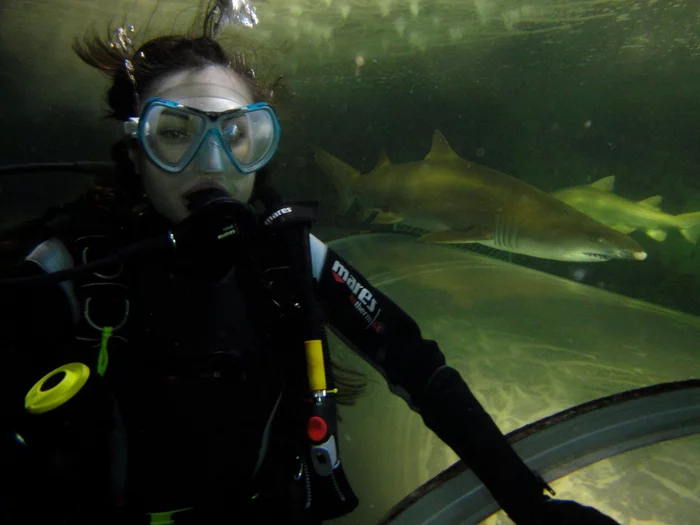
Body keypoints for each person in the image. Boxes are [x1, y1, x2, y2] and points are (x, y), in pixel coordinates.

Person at [0, 9, 623, 525]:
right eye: (175, 133)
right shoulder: (69, 269)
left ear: (262, 146)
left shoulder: (288, 256)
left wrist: (527, 500)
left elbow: (417, 364)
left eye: (237, 134)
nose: (211, 164)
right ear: (134, 150)